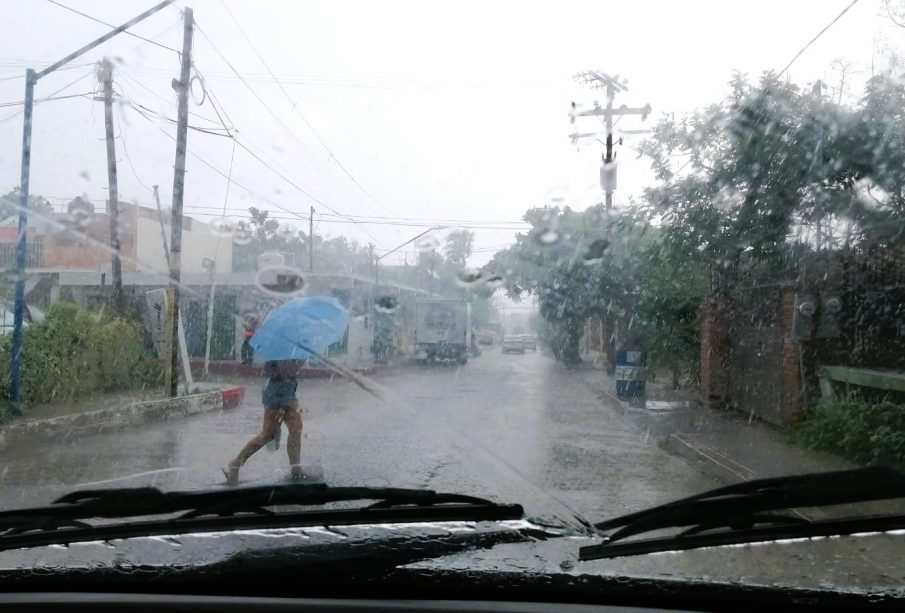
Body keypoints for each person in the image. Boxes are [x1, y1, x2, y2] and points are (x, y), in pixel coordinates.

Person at [226, 360, 304, 484]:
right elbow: (274, 371)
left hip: (289, 393)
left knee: (296, 429)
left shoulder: (295, 351)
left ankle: (296, 469)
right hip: (276, 395)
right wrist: (282, 406)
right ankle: (236, 463)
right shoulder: (282, 354)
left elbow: (290, 373)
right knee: (268, 434)